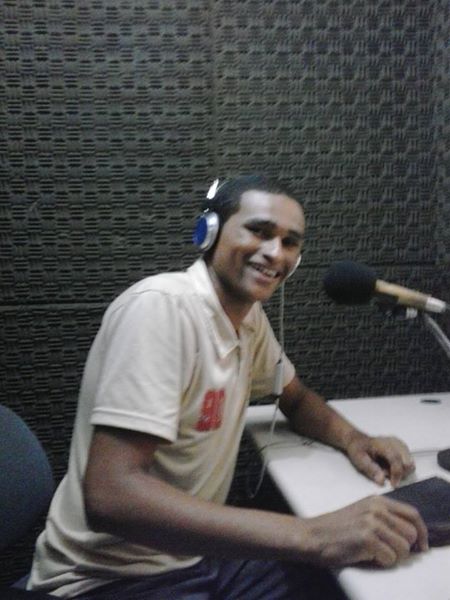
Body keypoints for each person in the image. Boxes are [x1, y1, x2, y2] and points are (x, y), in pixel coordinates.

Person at [28, 175, 428, 599]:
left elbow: (295, 398)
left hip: (196, 559)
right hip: (108, 580)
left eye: (290, 242)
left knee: (351, 583)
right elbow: (111, 497)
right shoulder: (161, 311)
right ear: (210, 231)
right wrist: (312, 535)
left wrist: (354, 440)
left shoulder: (247, 318)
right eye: (259, 231)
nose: (275, 252)